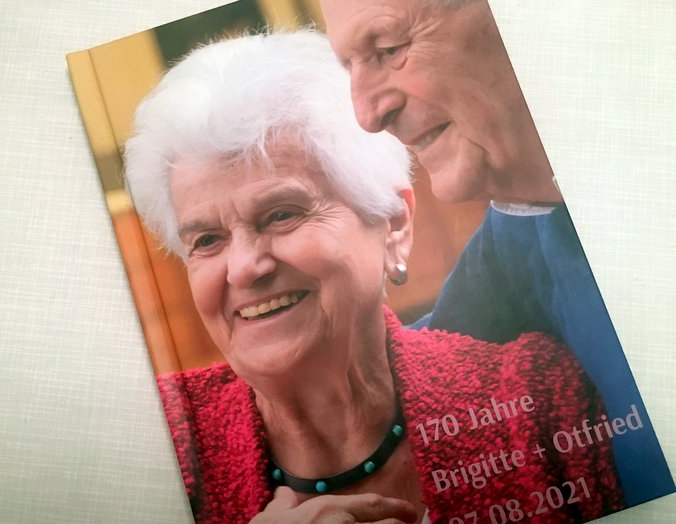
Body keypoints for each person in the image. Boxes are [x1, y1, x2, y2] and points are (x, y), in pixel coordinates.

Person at [125, 31, 624, 523]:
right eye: (207, 241)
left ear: (392, 225)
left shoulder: (535, 398)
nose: (244, 267)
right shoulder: (146, 442)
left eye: (281, 214)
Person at [319, 0, 675, 506]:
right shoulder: (520, 232)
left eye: (389, 49)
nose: (368, 114)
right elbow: (406, 371)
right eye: (349, 67)